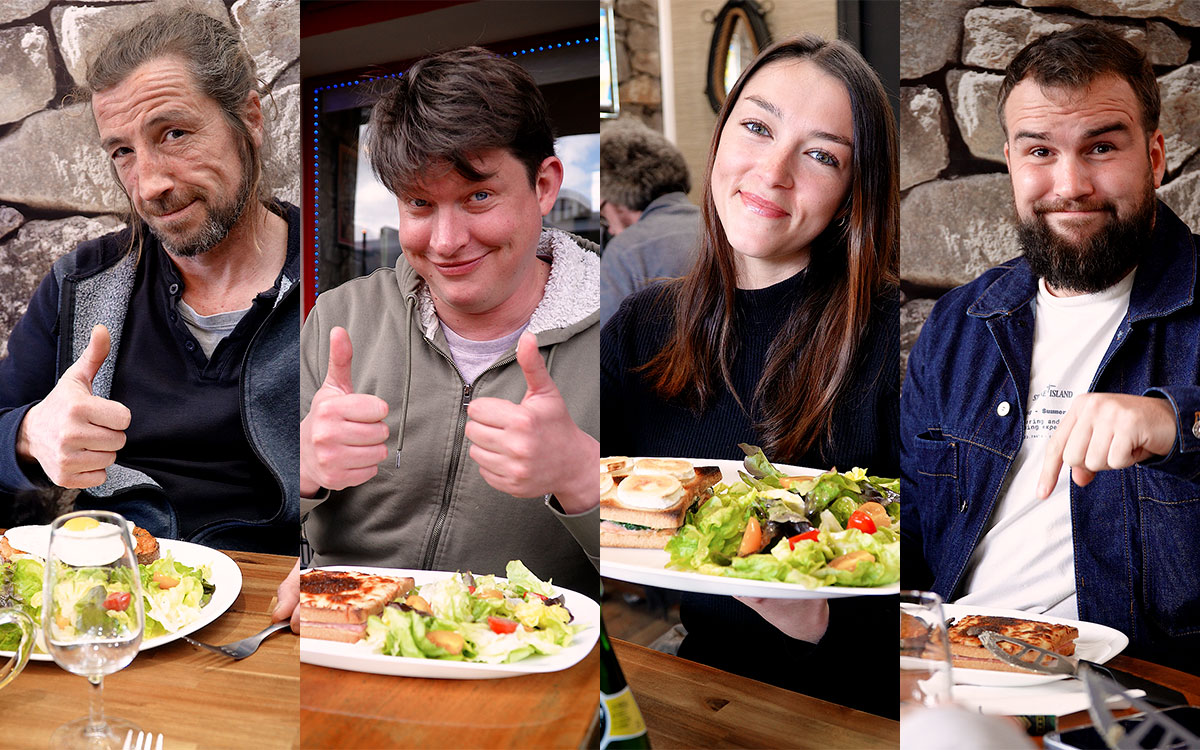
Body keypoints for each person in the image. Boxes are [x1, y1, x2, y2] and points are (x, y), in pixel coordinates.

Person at [601, 35, 899, 715]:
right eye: (758, 128)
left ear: (853, 192)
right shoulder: (645, 324)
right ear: (719, 141)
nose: (772, 171)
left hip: (860, 708)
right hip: (704, 689)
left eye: (822, 155)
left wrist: (819, 618)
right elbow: (583, 504)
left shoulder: (899, 334)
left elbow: (947, 580)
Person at [901, 25, 1200, 672]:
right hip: (952, 674)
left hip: (1134, 695)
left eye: (1101, 147)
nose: (1071, 184)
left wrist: (1179, 423)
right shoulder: (957, 326)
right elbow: (910, 539)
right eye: (1041, 151)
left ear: (1154, 156)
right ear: (1012, 162)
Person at [299, 47, 599, 597]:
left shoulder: (625, 333)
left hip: (528, 639)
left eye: (478, 196)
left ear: (544, 185)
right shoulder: (339, 317)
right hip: (348, 622)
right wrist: (299, 472)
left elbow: (661, 580)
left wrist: (583, 480)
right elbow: (262, 525)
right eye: (418, 203)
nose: (445, 242)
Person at [0, 10, 299, 554]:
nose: (149, 184)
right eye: (123, 152)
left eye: (175, 133)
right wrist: (28, 434)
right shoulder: (80, 283)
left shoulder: (342, 282)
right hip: (122, 581)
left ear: (250, 120)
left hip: (286, 587)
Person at [598, 120, 700, 325]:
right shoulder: (722, 226)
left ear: (616, 196)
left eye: (603, 211)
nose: (610, 228)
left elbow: (608, 339)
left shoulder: (626, 252)